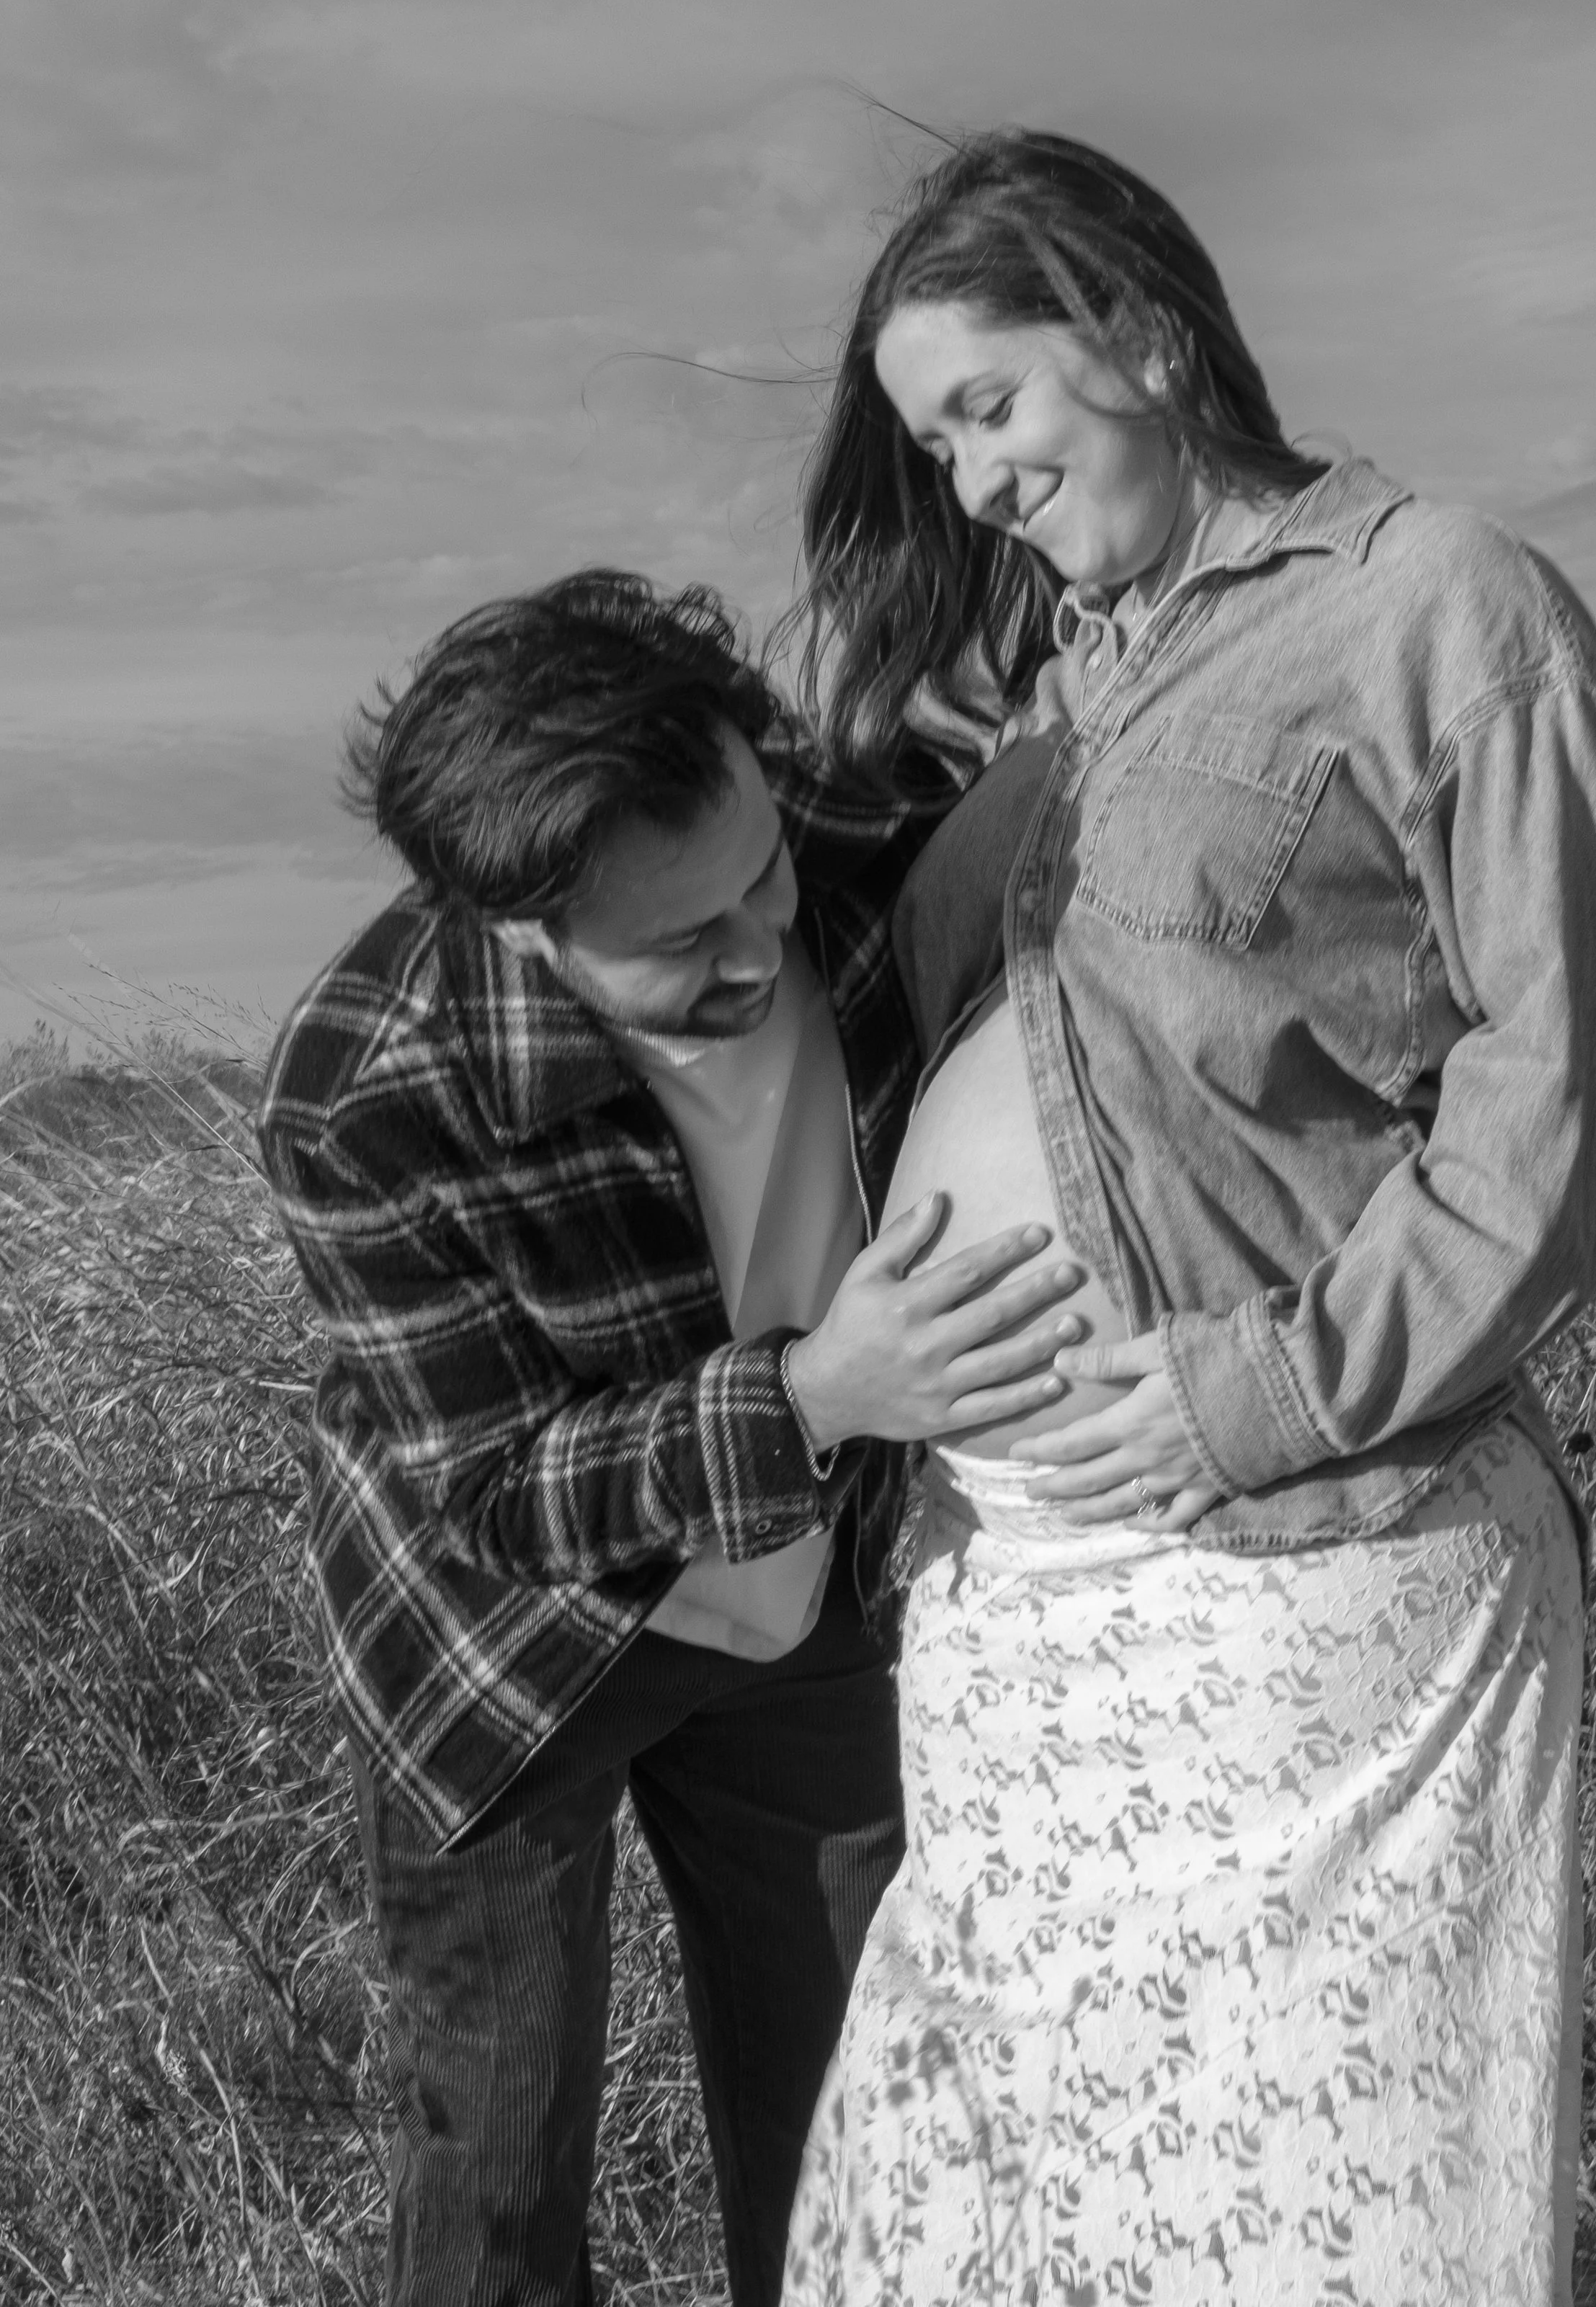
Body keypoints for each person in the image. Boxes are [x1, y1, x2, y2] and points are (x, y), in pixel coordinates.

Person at [776, 130, 1596, 2305]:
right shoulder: (1064, 683)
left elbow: (1561, 1112)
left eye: (986, 407)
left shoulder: (1436, 602)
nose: (967, 480)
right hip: (1024, 1596)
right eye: (929, 442)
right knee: (990, 2186)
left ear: (1144, 331)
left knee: (1319, 2207)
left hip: (1304, 1556)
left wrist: (1248, 1391)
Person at [257, 570, 1092, 2307]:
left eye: (761, 873)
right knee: (493, 2154)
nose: (758, 944)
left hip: (807, 1612)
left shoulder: (831, 821)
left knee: (860, 2107)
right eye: (680, 941)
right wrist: (813, 1395)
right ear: (514, 930)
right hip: (510, 1658)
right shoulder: (361, 1096)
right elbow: (493, 1493)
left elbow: (1042, 732)